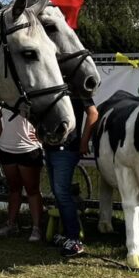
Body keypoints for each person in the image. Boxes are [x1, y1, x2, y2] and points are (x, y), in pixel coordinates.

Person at [43, 93, 100, 257]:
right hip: (50, 148)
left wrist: (83, 141)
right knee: (58, 192)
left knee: (62, 193)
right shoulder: (48, 84)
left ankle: (74, 240)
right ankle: (68, 235)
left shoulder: (77, 87)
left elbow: (93, 113)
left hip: (67, 149)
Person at [0, 108, 44, 242]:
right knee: (14, 189)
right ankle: (11, 224)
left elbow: (46, 115)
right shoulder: (4, 98)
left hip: (29, 149)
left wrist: (40, 135)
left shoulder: (31, 99)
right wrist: (2, 134)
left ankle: (36, 228)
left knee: (32, 190)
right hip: (6, 149)